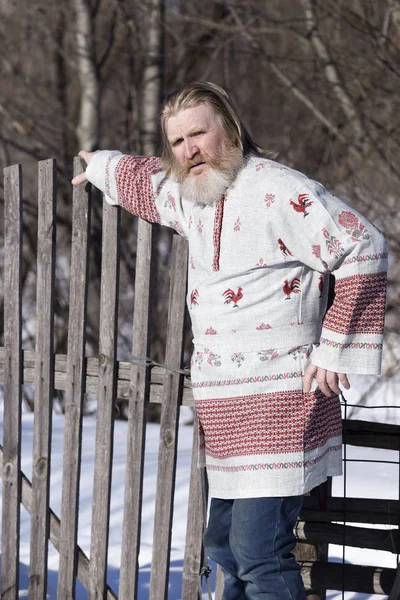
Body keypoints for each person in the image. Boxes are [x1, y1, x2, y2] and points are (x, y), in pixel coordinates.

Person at [72, 82, 388, 599]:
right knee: (223, 544)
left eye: (199, 132)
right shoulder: (193, 194)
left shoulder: (278, 188)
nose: (188, 149)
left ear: (232, 128)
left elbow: (364, 246)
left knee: (260, 550)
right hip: (224, 402)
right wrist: (103, 165)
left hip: (282, 397)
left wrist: (334, 348)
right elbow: (147, 182)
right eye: (177, 141)